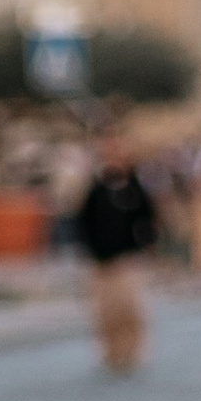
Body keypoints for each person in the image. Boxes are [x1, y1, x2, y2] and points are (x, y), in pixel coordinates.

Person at [74, 135, 160, 372]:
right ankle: (112, 352)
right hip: (101, 260)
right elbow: (84, 221)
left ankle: (132, 350)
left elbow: (147, 219)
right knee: (106, 311)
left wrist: (145, 246)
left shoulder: (134, 188)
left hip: (127, 258)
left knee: (129, 307)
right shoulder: (96, 189)